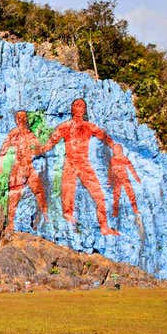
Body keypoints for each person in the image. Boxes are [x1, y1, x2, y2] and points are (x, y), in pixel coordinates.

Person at [39, 98, 119, 235]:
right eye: (76, 105)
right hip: (70, 163)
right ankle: (67, 217)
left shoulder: (89, 126)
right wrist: (38, 150)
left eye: (82, 105)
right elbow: (51, 142)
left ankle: (104, 226)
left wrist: (114, 146)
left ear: (85, 109)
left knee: (98, 194)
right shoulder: (65, 126)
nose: (79, 107)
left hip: (83, 163)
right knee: (67, 193)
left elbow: (104, 137)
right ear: (72, 109)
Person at [0, 111, 48, 233]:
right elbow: (4, 148)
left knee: (39, 191)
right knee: (14, 195)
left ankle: (46, 218)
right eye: (18, 117)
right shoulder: (14, 133)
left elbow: (38, 149)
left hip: (30, 167)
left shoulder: (30, 134)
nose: (20, 119)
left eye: (23, 117)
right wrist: (0, 165)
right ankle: (10, 224)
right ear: (15, 119)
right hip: (18, 168)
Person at [109, 143, 141, 217]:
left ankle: (135, 209)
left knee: (131, 194)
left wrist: (136, 177)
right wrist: (110, 180)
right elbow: (110, 171)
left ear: (120, 150)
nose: (116, 151)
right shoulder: (113, 160)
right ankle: (115, 212)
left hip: (125, 179)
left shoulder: (124, 158)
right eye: (115, 149)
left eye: (118, 149)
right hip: (117, 180)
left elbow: (131, 168)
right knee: (116, 196)